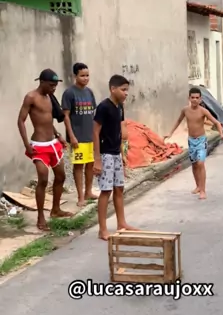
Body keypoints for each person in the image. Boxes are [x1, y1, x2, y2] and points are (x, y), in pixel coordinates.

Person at [17, 69, 73, 231]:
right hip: (39, 145)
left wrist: (58, 135)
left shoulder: (50, 97)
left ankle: (55, 209)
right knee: (43, 179)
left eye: (55, 85)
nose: (54, 88)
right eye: (51, 85)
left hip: (53, 143)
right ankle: (40, 217)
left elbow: (48, 120)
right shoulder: (31, 97)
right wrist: (27, 144)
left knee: (61, 176)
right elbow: (20, 121)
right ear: (42, 82)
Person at [93, 75, 135, 241]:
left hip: (116, 153)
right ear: (113, 89)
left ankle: (121, 223)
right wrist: (97, 159)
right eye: (123, 90)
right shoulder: (103, 107)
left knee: (119, 188)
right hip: (105, 154)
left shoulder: (120, 107)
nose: (126, 93)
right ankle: (102, 229)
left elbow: (118, 131)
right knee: (106, 190)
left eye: (127, 90)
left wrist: (122, 154)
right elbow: (95, 132)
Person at [165, 87, 223, 200]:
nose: (194, 100)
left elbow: (217, 123)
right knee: (194, 164)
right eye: (192, 97)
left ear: (200, 99)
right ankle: (198, 186)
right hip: (191, 141)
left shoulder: (203, 111)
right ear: (189, 98)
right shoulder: (185, 110)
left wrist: (221, 134)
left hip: (201, 141)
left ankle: (203, 190)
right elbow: (178, 121)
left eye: (197, 98)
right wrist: (170, 133)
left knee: (200, 163)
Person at [61, 62, 98, 207]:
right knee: (78, 166)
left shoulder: (89, 92)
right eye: (82, 75)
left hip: (90, 136)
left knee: (90, 164)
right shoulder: (69, 93)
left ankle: (88, 192)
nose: (85, 78)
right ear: (75, 76)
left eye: (87, 75)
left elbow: (93, 114)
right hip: (77, 137)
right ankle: (80, 196)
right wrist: (72, 136)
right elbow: (66, 116)